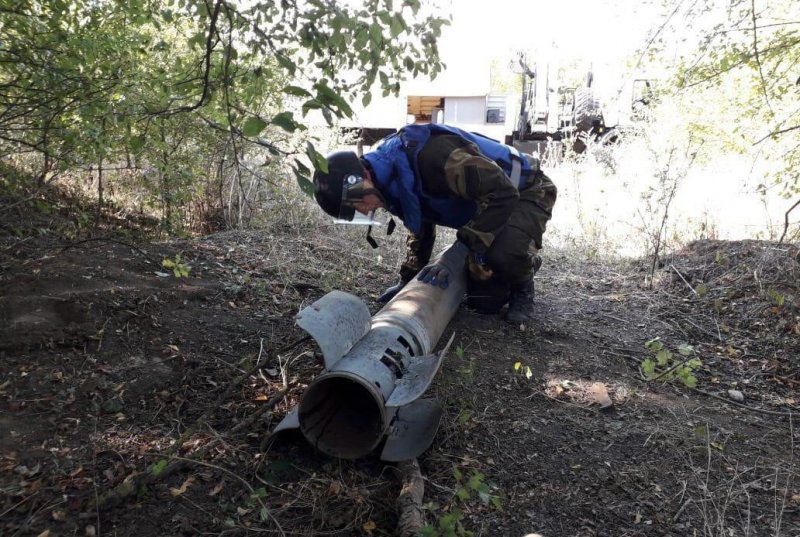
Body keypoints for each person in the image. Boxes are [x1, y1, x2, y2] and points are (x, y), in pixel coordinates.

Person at [312, 123, 557, 324]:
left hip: (525, 190)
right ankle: (514, 263)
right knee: (485, 303)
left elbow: (503, 193)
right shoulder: (385, 182)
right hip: (489, 204)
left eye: (357, 202)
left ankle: (523, 278)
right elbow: (420, 222)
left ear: (363, 176)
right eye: (355, 210)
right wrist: (407, 279)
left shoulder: (433, 157)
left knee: (504, 255)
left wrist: (463, 248)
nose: (364, 209)